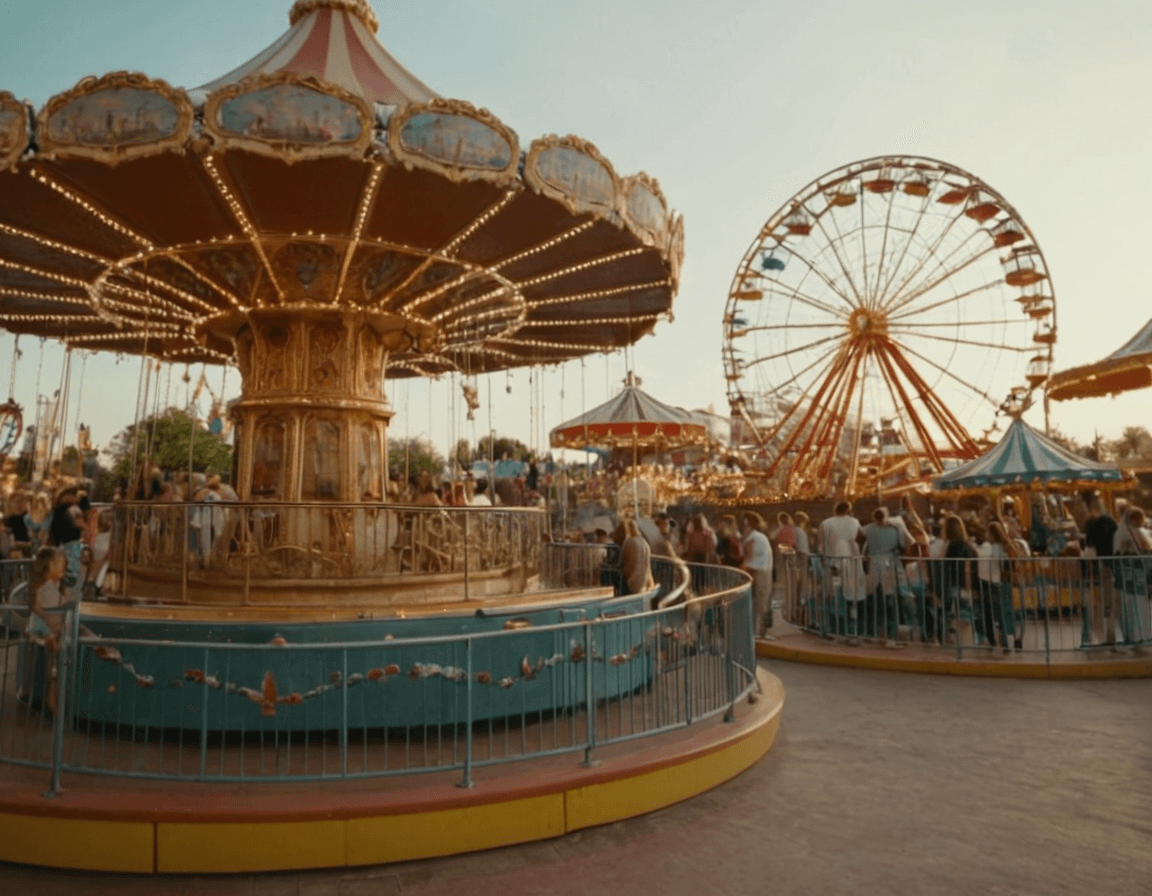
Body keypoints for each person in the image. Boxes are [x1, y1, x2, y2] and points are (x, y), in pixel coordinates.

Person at [817, 501, 865, 639]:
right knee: (853, 595)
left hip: (833, 563)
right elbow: (860, 540)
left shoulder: (825, 523)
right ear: (849, 510)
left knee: (835, 595)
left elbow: (821, 547)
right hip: (852, 563)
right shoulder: (855, 522)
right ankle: (854, 628)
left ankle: (836, 628)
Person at [861, 506, 905, 642]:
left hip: (874, 562)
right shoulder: (894, 529)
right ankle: (892, 632)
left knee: (872, 598)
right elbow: (902, 544)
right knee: (890, 598)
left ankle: (871, 631)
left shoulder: (869, 529)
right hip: (888, 563)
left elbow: (862, 534)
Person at [1111, 507, 1151, 647]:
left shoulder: (1127, 532)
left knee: (1135, 602)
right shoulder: (1127, 533)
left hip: (1132, 573)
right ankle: (1137, 634)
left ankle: (1138, 634)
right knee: (1134, 603)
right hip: (1132, 572)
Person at [1083, 494, 1119, 647]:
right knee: (1109, 600)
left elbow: (1090, 546)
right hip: (1112, 563)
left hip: (1101, 564)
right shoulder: (1111, 522)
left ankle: (1105, 636)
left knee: (1102, 601)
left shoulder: (1092, 524)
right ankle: (1110, 635)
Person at [976, 520, 1017, 651]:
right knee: (1005, 611)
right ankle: (1008, 639)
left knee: (995, 612)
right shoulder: (1006, 546)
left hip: (995, 582)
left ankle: (999, 640)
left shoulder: (993, 548)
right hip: (1005, 582)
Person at [741, 511, 773, 636]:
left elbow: (748, 556)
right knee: (762, 602)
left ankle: (759, 632)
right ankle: (760, 632)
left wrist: (742, 568)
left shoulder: (752, 537)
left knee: (760, 602)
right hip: (763, 570)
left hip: (758, 571)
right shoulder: (760, 536)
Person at [621, 518, 654, 596]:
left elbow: (623, 560)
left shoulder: (629, 542)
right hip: (646, 581)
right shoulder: (644, 541)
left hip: (633, 582)